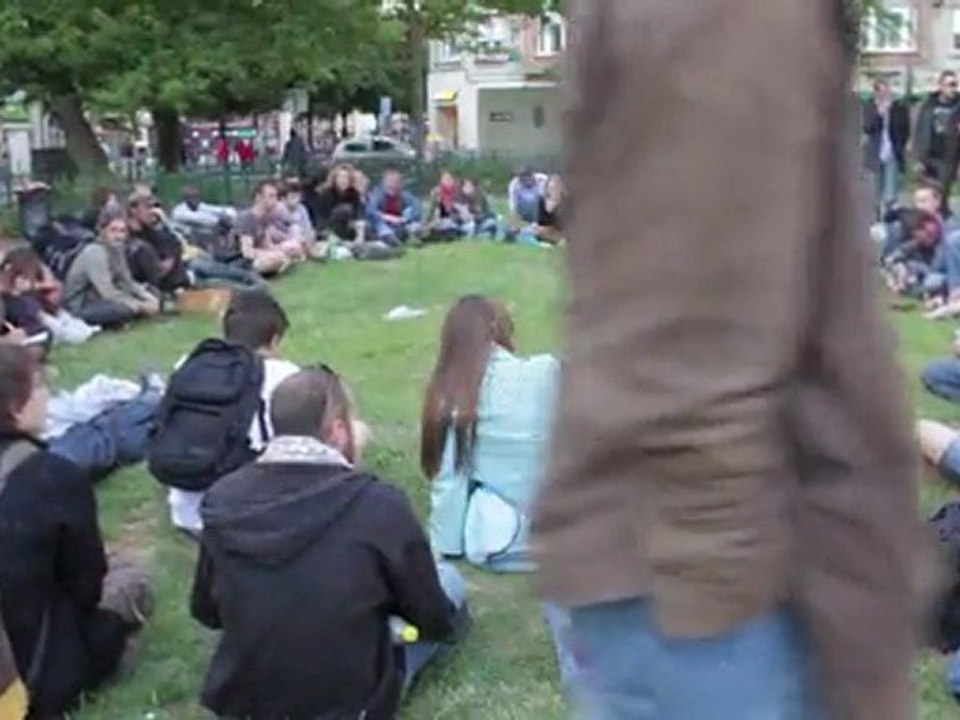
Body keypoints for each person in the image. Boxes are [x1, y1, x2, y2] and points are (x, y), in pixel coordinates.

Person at [532, 3, 923, 720]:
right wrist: (722, 578)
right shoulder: (732, 14)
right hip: (723, 594)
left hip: (706, 582)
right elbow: (694, 337)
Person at [191, 366, 468, 719]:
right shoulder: (378, 504)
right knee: (450, 583)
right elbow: (430, 615)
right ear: (338, 431)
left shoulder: (222, 498)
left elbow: (206, 611)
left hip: (244, 703)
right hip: (349, 703)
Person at [0, 345, 151, 717]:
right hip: (33, 674)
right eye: (39, 386)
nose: (47, 393)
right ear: (16, 408)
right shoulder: (50, 476)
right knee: (129, 580)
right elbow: (86, 587)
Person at [422, 296, 558, 571]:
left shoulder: (452, 394)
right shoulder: (547, 371)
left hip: (498, 540)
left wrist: (445, 546)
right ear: (499, 329)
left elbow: (450, 479)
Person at [164, 289, 299, 537]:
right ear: (275, 340)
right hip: (248, 515)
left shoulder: (189, 363)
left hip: (186, 513)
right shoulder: (284, 374)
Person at [63, 209, 161, 328]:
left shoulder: (117, 249)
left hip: (105, 298)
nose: (118, 236)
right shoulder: (95, 252)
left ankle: (128, 317)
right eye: (113, 230)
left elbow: (127, 281)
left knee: (154, 293)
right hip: (83, 305)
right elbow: (107, 292)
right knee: (123, 309)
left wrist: (148, 297)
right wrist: (141, 306)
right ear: (103, 231)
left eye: (122, 231)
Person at [863, 78, 911, 218]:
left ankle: (890, 218)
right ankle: (875, 219)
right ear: (876, 93)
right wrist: (879, 114)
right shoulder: (870, 107)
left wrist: (901, 146)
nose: (885, 95)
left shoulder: (898, 108)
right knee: (875, 191)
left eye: (886, 91)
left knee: (891, 192)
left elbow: (905, 130)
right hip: (875, 153)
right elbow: (867, 128)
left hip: (892, 153)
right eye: (881, 92)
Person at [126, 194, 191, 294]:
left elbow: (167, 261)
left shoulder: (153, 232)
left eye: (154, 207)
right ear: (133, 209)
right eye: (147, 207)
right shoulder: (122, 231)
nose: (152, 212)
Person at [917, 70, 960, 212]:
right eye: (950, 85)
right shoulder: (929, 105)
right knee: (928, 196)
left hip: (947, 157)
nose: (953, 89)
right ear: (941, 86)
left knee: (942, 195)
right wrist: (919, 158)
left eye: (956, 85)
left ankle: (941, 222)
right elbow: (920, 130)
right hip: (929, 156)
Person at [233, 181, 296, 276]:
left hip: (260, 255)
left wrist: (285, 250)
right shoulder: (246, 218)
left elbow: (268, 245)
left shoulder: (265, 218)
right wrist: (274, 254)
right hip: (241, 261)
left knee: (291, 247)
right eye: (271, 196)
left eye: (275, 196)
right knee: (276, 259)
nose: (275, 200)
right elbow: (247, 252)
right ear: (258, 198)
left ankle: (279, 264)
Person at [882, 209, 947, 299]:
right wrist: (899, 265)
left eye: (916, 236)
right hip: (928, 273)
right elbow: (893, 257)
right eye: (914, 237)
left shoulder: (943, 238)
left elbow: (935, 269)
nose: (916, 240)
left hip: (944, 276)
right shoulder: (918, 240)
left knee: (933, 281)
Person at [367, 169, 423, 246]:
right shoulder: (377, 195)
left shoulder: (405, 195)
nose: (393, 184)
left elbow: (417, 208)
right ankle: (390, 238)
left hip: (401, 224)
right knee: (378, 222)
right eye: (390, 181)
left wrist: (405, 219)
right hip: (383, 224)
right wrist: (388, 217)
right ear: (384, 182)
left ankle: (412, 236)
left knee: (413, 220)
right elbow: (371, 211)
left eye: (396, 182)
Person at [314, 164, 366, 243]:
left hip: (348, 227)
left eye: (346, 178)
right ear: (335, 179)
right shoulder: (326, 194)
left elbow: (358, 217)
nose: (343, 180)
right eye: (341, 177)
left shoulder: (354, 194)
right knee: (344, 210)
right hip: (329, 229)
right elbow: (322, 221)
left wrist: (360, 235)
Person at [518, 174, 565, 246]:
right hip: (543, 231)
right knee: (528, 231)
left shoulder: (566, 202)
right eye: (551, 188)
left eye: (556, 188)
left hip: (559, 232)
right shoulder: (541, 200)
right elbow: (538, 222)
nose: (553, 190)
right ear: (547, 188)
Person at [279, 178, 319, 257]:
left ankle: (307, 250)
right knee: (295, 229)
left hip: (302, 239)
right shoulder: (279, 209)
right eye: (292, 196)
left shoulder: (302, 208)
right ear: (284, 198)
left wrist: (308, 238)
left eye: (297, 197)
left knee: (312, 233)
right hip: (285, 240)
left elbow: (307, 227)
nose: (296, 200)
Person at [426, 171, 469, 241]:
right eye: (446, 179)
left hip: (455, 218)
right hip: (440, 218)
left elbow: (463, 208)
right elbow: (431, 210)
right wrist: (427, 222)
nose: (448, 181)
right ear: (441, 180)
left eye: (450, 179)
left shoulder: (458, 192)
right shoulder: (436, 192)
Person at [171, 186, 235, 231]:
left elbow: (215, 209)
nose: (195, 199)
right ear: (185, 198)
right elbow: (197, 218)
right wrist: (218, 220)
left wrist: (228, 213)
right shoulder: (178, 211)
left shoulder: (200, 206)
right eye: (191, 197)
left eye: (197, 196)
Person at [507, 168, 547, 237]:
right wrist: (513, 225)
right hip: (524, 209)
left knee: (539, 199)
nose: (526, 181)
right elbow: (513, 206)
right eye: (522, 179)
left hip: (542, 210)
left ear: (532, 176)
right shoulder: (514, 184)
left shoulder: (543, 179)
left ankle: (537, 226)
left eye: (528, 178)